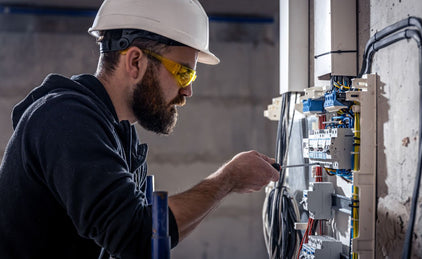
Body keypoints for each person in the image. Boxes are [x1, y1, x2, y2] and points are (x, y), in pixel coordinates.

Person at [0, 0, 279, 258]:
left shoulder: (118, 135)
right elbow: (138, 235)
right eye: (183, 72)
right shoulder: (63, 119)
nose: (188, 90)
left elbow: (148, 239)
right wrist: (227, 179)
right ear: (135, 61)